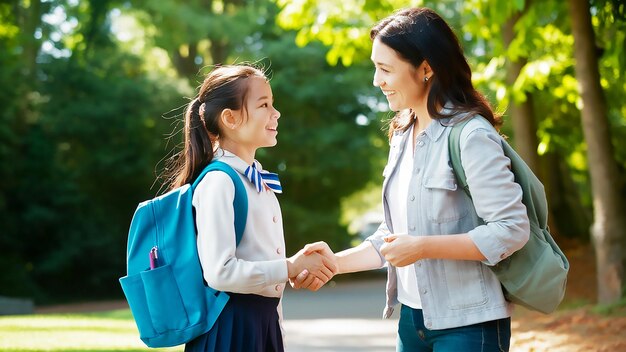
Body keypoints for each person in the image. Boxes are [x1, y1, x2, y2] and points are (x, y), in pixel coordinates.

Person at [294, 7, 530, 352]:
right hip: (412, 322)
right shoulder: (402, 134)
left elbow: (511, 228)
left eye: (385, 69)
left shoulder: (470, 135)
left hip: (469, 324)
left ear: (426, 67)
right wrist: (335, 263)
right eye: (375, 68)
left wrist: (422, 247)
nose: (377, 81)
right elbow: (393, 238)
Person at [164, 64, 336, 352]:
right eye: (264, 105)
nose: (276, 113)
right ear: (230, 118)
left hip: (261, 324)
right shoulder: (219, 181)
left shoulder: (255, 179)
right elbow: (220, 273)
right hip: (230, 328)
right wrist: (290, 266)